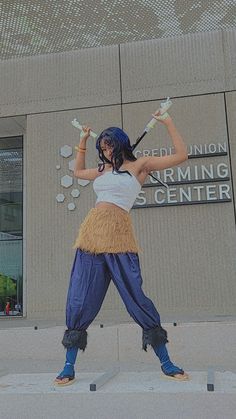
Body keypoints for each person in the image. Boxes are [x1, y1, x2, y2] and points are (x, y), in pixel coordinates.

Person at [54, 108, 189, 386]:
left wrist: (167, 121)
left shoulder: (140, 166)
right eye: (101, 148)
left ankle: (166, 362)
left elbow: (181, 155)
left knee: (136, 297)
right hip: (91, 238)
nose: (104, 152)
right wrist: (81, 140)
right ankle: (68, 365)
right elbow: (78, 171)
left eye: (108, 146)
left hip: (120, 238)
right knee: (79, 297)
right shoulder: (103, 169)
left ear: (120, 144)